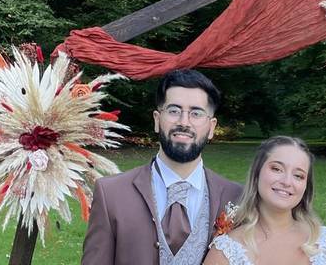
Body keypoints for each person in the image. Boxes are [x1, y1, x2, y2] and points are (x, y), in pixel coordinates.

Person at [82, 69, 243, 265]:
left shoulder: (237, 198)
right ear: (157, 120)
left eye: (196, 113)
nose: (184, 122)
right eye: (174, 111)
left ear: (211, 127)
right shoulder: (111, 194)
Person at [202, 136, 326, 265]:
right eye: (277, 169)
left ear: (306, 187)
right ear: (256, 174)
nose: (287, 182)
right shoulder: (227, 251)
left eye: (298, 176)